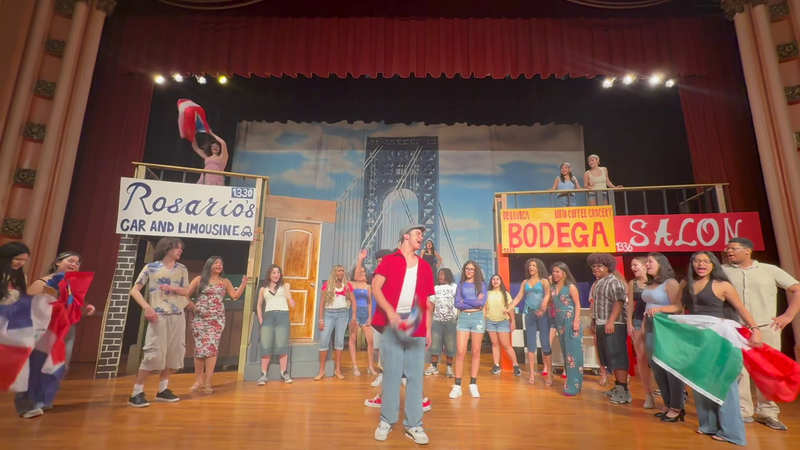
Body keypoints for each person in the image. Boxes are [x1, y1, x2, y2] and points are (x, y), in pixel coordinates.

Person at [673, 251, 761, 445]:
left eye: (706, 261)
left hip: (720, 338)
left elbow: (741, 309)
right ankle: (709, 425)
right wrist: (655, 310)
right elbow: (677, 307)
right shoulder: (686, 284)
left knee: (724, 384)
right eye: (697, 261)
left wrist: (755, 329)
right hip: (697, 339)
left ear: (713, 265)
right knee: (701, 382)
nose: (701, 264)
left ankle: (732, 433)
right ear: (692, 264)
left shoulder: (722, 285)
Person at [723, 237, 800, 431]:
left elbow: (797, 289)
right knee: (738, 371)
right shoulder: (723, 271)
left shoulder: (769, 270)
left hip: (766, 327)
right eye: (727, 249)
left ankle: (768, 412)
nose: (729, 252)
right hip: (736, 329)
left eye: (733, 248)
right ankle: (743, 411)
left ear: (747, 250)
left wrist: (789, 315)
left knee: (768, 371)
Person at [371, 224, 435, 444]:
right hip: (393, 323)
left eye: (423, 234)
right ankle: (386, 420)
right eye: (418, 233)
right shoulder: (389, 261)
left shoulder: (425, 266)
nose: (422, 237)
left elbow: (427, 301)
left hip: (416, 323)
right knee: (392, 374)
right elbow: (375, 288)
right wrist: (390, 311)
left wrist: (428, 328)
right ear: (406, 236)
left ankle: (414, 424)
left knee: (416, 376)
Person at [128, 237, 192, 408]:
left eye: (181, 248)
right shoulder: (151, 267)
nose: (180, 250)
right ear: (166, 248)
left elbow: (186, 290)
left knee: (173, 352)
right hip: (159, 314)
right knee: (154, 351)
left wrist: (173, 288)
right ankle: (137, 392)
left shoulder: (182, 268)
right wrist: (147, 307)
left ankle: (163, 390)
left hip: (177, 314)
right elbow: (135, 290)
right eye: (177, 247)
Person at [27, 252, 96, 375]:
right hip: (45, 328)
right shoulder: (42, 282)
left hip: (67, 328)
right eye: (71, 261)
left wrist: (87, 307)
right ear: (58, 262)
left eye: (77, 263)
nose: (74, 264)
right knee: (39, 365)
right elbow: (29, 305)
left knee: (60, 366)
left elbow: (77, 304)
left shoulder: (72, 285)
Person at [641, 253, 684, 420]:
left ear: (661, 263)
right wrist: (644, 326)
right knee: (656, 366)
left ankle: (677, 406)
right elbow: (647, 306)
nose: (646, 264)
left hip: (667, 327)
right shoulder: (650, 283)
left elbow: (678, 308)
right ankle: (667, 403)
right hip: (651, 326)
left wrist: (660, 311)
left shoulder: (670, 283)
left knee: (670, 367)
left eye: (650, 262)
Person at [588, 253, 631, 404]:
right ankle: (618, 386)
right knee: (609, 358)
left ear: (608, 266)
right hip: (601, 323)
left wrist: (611, 321)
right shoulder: (598, 283)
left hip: (615, 324)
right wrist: (593, 322)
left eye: (599, 266)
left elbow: (619, 303)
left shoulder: (614, 282)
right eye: (593, 266)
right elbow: (596, 305)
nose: (596, 269)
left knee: (618, 358)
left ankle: (624, 391)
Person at [507, 258, 552, 386]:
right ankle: (532, 372)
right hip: (530, 314)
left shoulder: (544, 281)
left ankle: (549, 373)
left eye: (534, 265)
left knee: (545, 343)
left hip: (543, 314)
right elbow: (518, 297)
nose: (531, 267)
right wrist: (509, 307)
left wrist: (544, 305)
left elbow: (548, 295)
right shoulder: (525, 282)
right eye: (530, 265)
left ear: (539, 267)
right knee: (531, 343)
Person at [450, 260, 488, 398]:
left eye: (472, 269)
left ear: (476, 271)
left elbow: (481, 303)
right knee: (460, 351)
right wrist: (473, 302)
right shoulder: (461, 285)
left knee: (476, 351)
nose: (469, 271)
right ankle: (457, 386)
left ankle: (473, 384)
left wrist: (464, 301)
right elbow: (456, 304)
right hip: (464, 319)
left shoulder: (482, 284)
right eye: (467, 268)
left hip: (477, 318)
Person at [316, 265, 356, 380]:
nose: (341, 273)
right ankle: (322, 370)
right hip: (329, 314)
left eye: (343, 271)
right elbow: (322, 303)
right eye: (339, 271)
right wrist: (320, 319)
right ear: (334, 272)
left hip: (343, 314)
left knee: (339, 341)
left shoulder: (347, 285)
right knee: (324, 340)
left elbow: (353, 301)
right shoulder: (327, 285)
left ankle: (338, 370)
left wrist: (353, 316)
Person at [257, 264, 295, 385]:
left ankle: (284, 373)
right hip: (268, 316)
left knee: (281, 344)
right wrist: (260, 317)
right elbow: (259, 305)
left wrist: (291, 300)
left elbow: (288, 295)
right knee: (266, 344)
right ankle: (263, 374)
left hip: (282, 316)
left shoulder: (285, 285)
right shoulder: (263, 289)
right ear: (269, 274)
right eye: (273, 272)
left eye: (278, 272)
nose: (276, 275)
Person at [550, 262, 584, 396]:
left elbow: (577, 304)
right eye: (553, 271)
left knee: (573, 354)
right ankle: (572, 382)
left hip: (571, 319)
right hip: (559, 321)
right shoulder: (553, 287)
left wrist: (576, 321)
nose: (555, 274)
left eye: (557, 271)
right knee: (566, 353)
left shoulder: (570, 286)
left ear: (564, 272)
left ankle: (574, 385)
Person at [626, 256, 655, 409]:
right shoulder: (633, 283)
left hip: (655, 320)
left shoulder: (655, 281)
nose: (633, 268)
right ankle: (648, 394)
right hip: (637, 320)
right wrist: (629, 323)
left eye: (635, 265)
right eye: (631, 265)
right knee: (641, 357)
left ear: (645, 266)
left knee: (656, 357)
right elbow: (630, 304)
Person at [485, 274, 521, 377]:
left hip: (503, 322)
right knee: (494, 344)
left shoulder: (506, 294)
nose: (495, 281)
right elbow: (485, 308)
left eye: (497, 279)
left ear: (501, 281)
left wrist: (513, 321)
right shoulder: (487, 293)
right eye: (493, 279)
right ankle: (496, 365)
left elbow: (511, 308)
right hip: (490, 321)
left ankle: (516, 365)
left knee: (506, 345)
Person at [425, 268, 458, 377]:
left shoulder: (455, 287)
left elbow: (459, 303)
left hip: (450, 320)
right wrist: (429, 321)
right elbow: (431, 306)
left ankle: (449, 367)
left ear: (448, 275)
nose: (440, 276)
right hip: (437, 320)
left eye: (443, 274)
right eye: (439, 274)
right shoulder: (435, 288)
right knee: (434, 344)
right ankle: (434, 366)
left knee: (450, 344)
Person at [350, 261, 378, 376]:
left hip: (365, 312)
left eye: (364, 271)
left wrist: (370, 318)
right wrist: (353, 316)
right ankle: (355, 366)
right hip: (355, 312)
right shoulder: (351, 284)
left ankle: (370, 366)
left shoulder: (368, 286)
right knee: (353, 339)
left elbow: (370, 303)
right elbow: (350, 299)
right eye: (360, 271)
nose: (362, 273)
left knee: (370, 340)